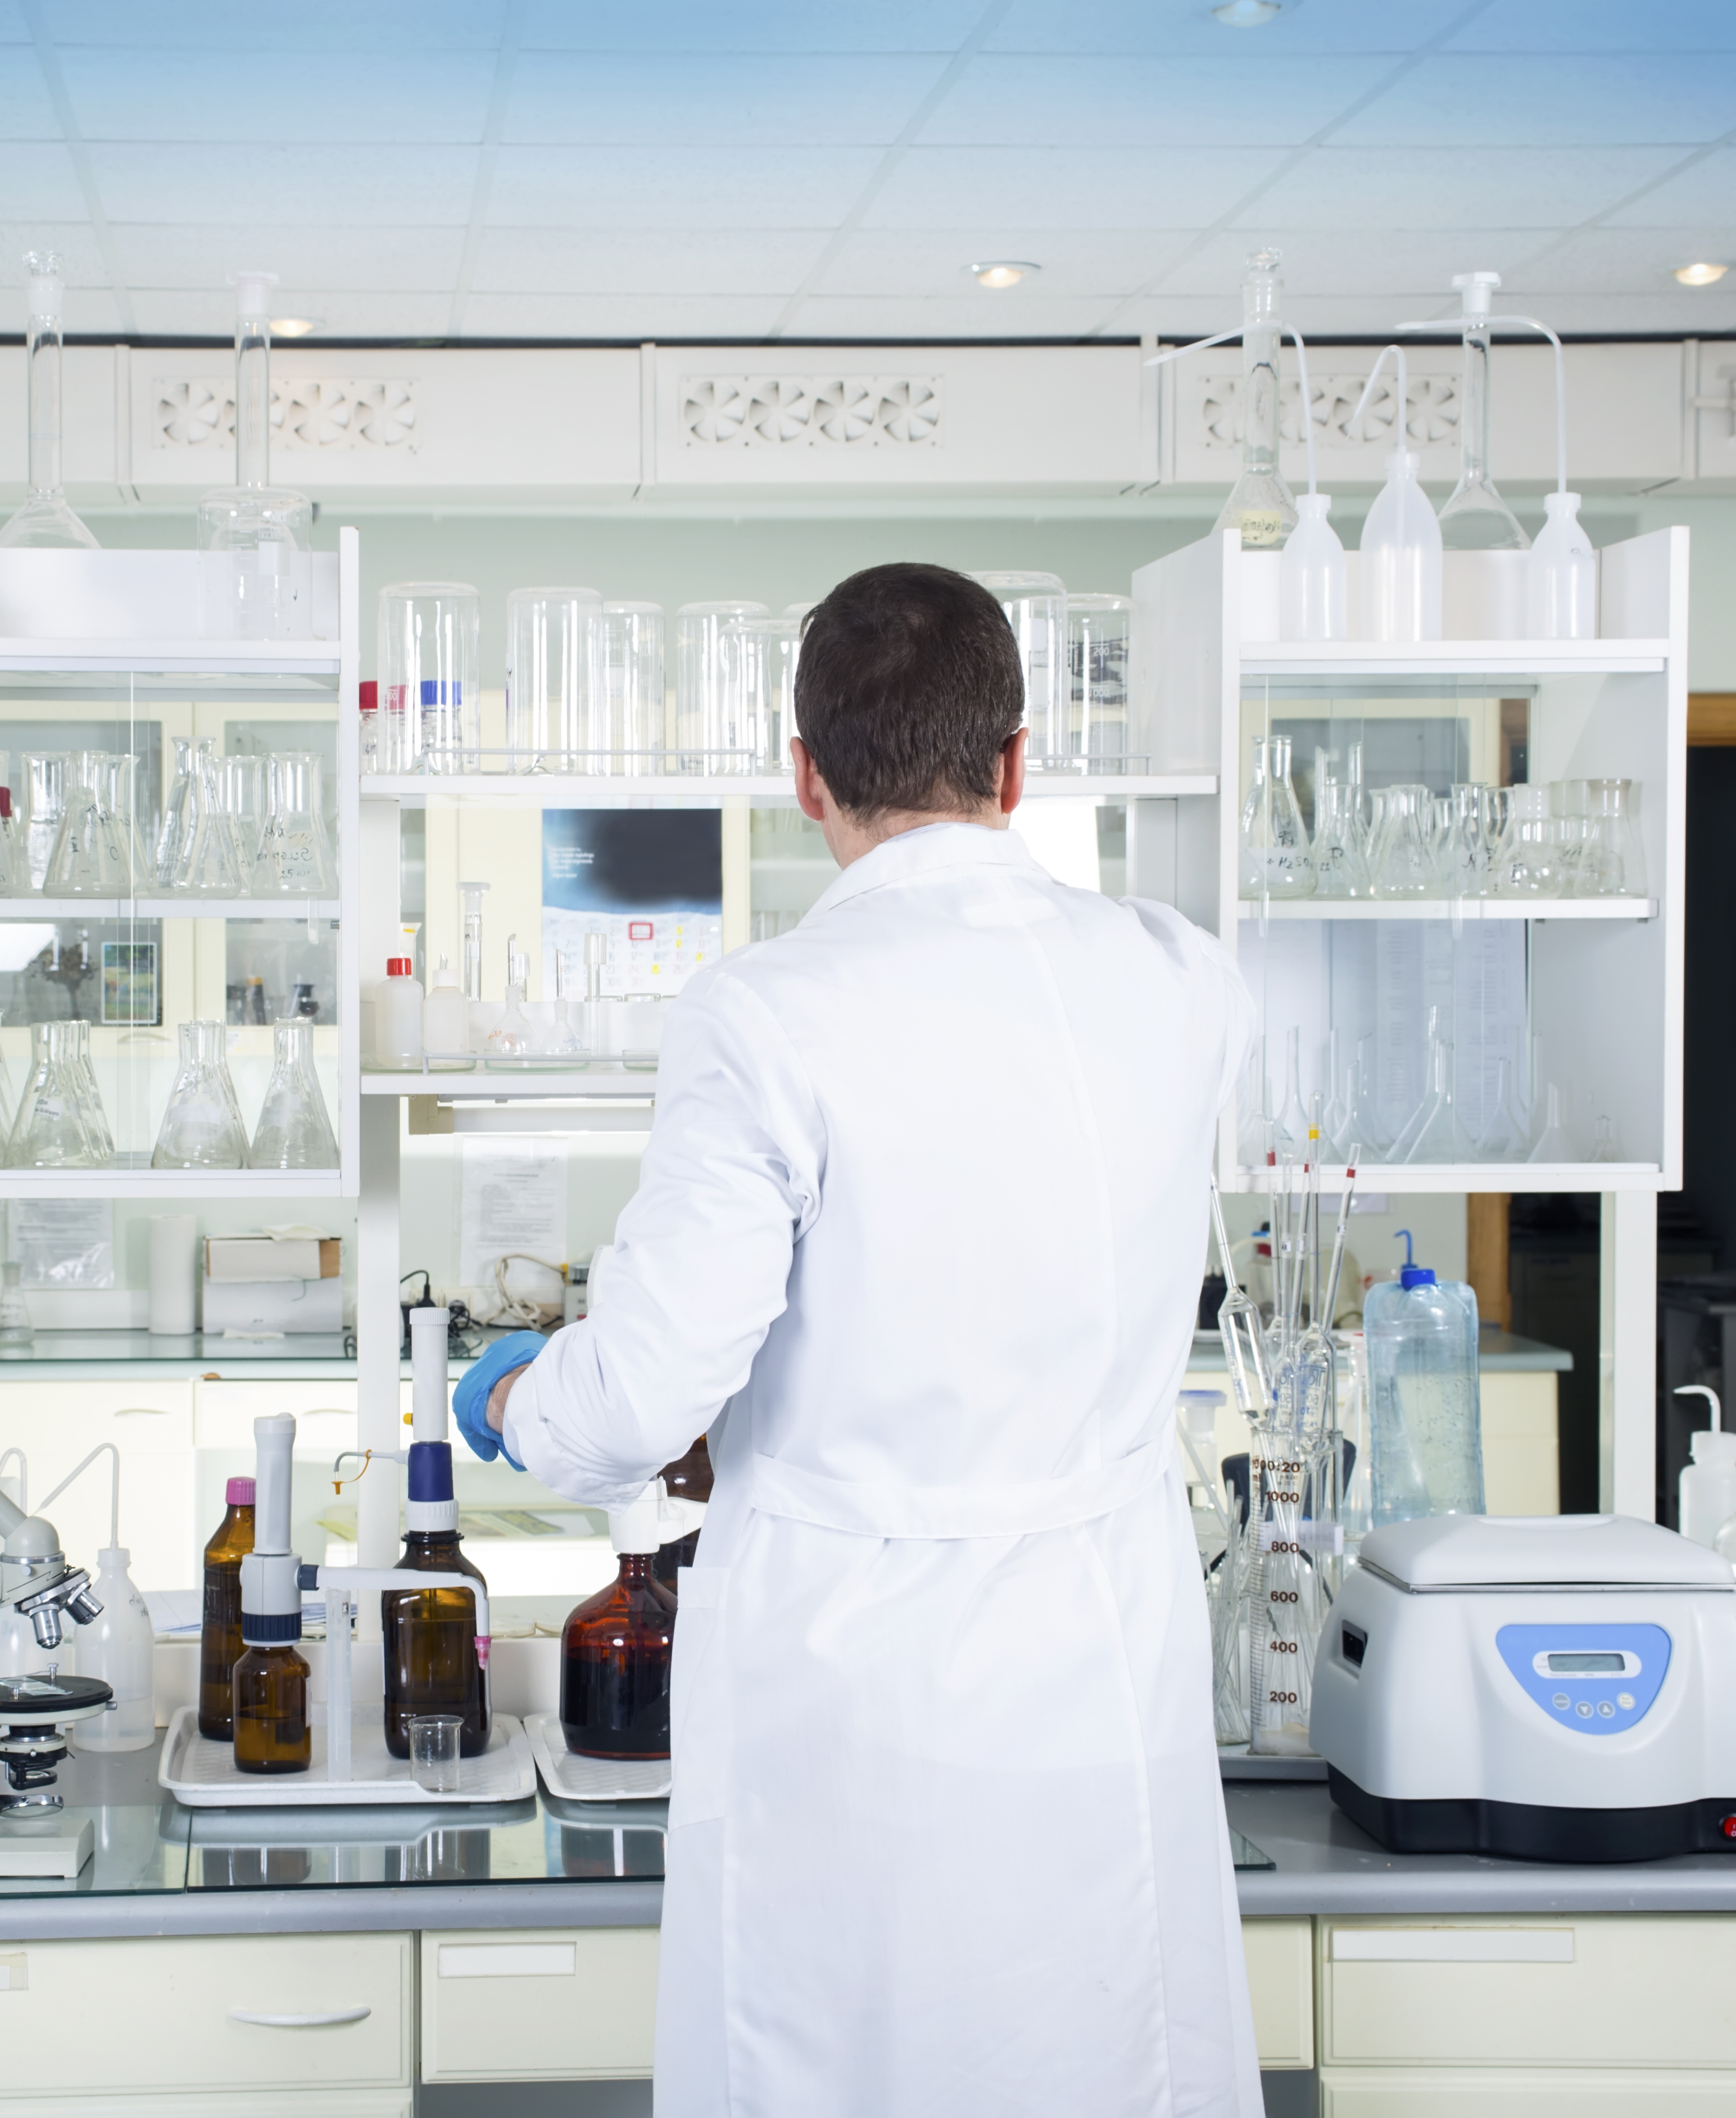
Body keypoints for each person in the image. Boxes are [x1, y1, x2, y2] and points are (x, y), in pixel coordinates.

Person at [456, 562, 1259, 2116]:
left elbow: (635, 1397)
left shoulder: (763, 1015)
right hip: (1101, 1644)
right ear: (1017, 764)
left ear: (804, 775)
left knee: (852, 2065)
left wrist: (517, 1409)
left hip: (859, 1680)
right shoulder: (1182, 978)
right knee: (1104, 2051)